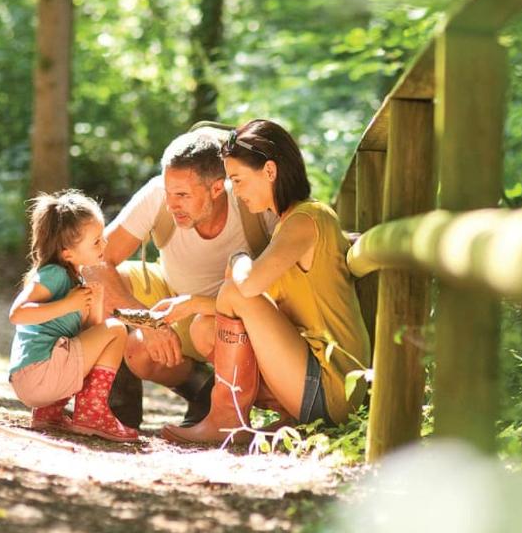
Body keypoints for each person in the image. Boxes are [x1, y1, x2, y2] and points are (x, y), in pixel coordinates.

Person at [159, 119, 371, 446]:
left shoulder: (306, 220)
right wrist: (190, 304)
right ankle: (282, 418)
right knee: (204, 325)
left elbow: (247, 286)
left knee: (234, 288)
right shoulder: (286, 226)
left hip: (333, 389)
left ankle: (226, 420)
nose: (235, 192)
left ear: (269, 171)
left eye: (239, 180)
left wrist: (238, 258)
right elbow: (260, 305)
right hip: (309, 380)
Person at [96, 129, 275, 429]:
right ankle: (119, 409)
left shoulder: (253, 205)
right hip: (170, 294)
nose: (171, 204)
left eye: (182, 195)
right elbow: (96, 260)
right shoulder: (158, 195)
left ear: (218, 188)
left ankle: (224, 399)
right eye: (169, 193)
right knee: (99, 295)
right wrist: (145, 321)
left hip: (225, 317)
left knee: (202, 326)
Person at [7, 190, 138, 442]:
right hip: (40, 373)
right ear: (67, 252)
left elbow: (91, 341)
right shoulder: (54, 274)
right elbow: (18, 314)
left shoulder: (74, 279)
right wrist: (69, 304)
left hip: (36, 379)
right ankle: (92, 414)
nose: (105, 245)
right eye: (97, 241)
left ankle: (50, 412)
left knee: (102, 332)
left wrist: (95, 304)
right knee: (118, 329)